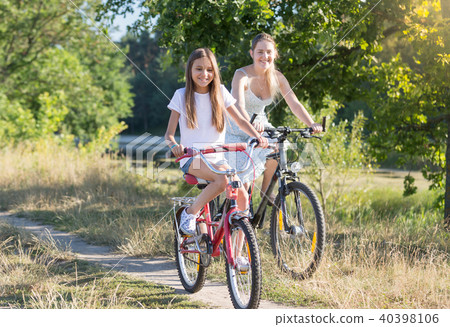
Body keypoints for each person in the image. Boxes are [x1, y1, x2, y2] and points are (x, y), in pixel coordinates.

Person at [165, 48, 268, 235]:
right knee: (222, 182)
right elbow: (169, 135)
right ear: (190, 70)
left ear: (215, 72)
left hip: (218, 159)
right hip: (192, 158)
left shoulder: (220, 92)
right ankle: (190, 213)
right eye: (199, 69)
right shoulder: (181, 95)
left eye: (209, 70)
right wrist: (175, 146)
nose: (205, 74)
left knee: (243, 196)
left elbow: (241, 121)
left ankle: (237, 255)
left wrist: (257, 136)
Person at [225, 33, 323, 203]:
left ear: (275, 54)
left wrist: (311, 123)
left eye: (269, 52)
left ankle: (265, 192)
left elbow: (295, 104)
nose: (265, 56)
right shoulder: (241, 75)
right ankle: (240, 219)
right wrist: (250, 124)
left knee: (280, 146)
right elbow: (238, 106)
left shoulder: (277, 77)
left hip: (261, 125)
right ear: (252, 53)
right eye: (260, 52)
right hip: (239, 128)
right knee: (244, 185)